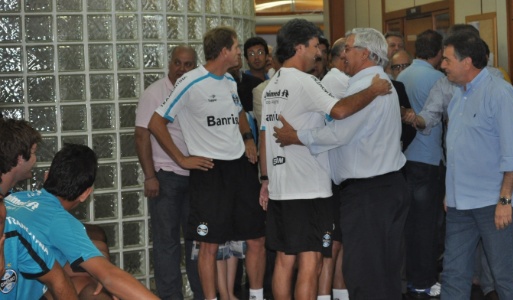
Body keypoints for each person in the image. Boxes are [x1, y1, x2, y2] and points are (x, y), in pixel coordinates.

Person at [259, 19, 392, 300]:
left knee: (284, 260)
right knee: (312, 262)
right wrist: (373, 90)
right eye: (314, 47)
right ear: (299, 48)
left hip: (282, 186)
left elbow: (264, 136)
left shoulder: (272, 85)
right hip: (309, 187)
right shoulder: (305, 81)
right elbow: (340, 111)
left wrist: (266, 178)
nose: (318, 53)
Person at [148, 26, 266, 300]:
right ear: (224, 51)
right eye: (237, 47)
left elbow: (238, 113)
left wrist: (248, 138)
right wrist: (181, 159)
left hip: (240, 168)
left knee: (256, 238)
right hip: (210, 172)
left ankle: (257, 296)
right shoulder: (190, 81)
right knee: (209, 245)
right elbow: (156, 122)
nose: (240, 52)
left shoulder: (229, 81)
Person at [5, 143, 158, 299]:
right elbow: (110, 276)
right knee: (86, 282)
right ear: (86, 193)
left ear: (47, 175)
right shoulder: (61, 221)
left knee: (94, 253)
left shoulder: (16, 197)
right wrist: (99, 273)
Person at [438, 32, 513, 299]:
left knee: (504, 275)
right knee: (453, 272)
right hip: (459, 203)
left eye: (447, 59)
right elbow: (457, 149)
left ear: (467, 62)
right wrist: (449, 191)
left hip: (493, 203)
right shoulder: (458, 96)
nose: (442, 65)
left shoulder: (499, 93)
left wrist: (505, 200)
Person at [135, 44, 203, 300]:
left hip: (197, 179)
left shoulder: (198, 91)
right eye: (177, 62)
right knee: (167, 244)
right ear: (169, 63)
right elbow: (141, 135)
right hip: (166, 178)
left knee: (199, 242)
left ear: (195, 66)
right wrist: (150, 176)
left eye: (188, 64)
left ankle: (202, 295)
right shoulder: (155, 92)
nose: (182, 69)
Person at [0, 118, 78, 300]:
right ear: (20, 158)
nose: (35, 160)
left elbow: (57, 278)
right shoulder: (7, 220)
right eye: (34, 153)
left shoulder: (10, 210)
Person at [396, 29, 444, 299]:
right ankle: (424, 280)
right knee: (427, 226)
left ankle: (409, 278)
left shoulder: (402, 75)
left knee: (408, 224)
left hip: (405, 158)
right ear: (439, 53)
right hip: (428, 160)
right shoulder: (439, 78)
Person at [317, 37, 349, 300]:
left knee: (340, 241)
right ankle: (326, 295)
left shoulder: (332, 80)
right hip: (329, 174)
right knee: (332, 244)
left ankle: (339, 292)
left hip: (336, 173)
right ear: (342, 57)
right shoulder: (337, 80)